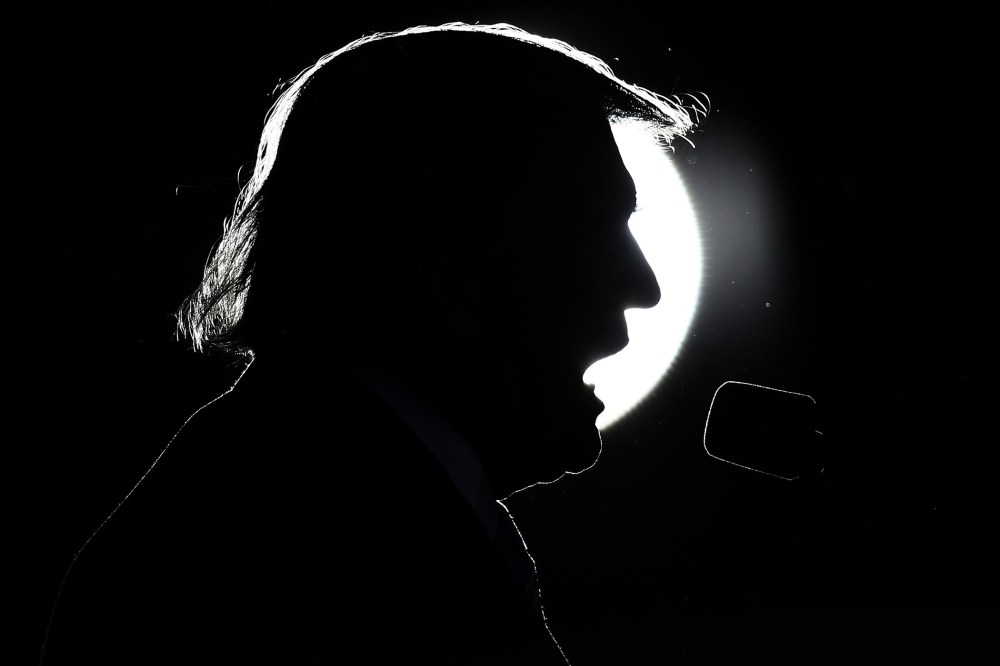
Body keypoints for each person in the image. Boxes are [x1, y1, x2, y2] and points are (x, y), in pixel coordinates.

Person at [42, 23, 702, 665]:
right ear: (445, 271)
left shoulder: (281, 496)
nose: (644, 287)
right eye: (592, 229)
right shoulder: (342, 559)